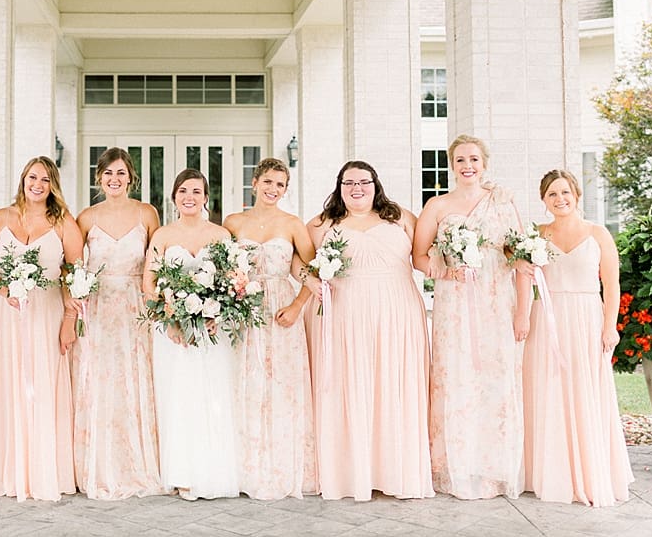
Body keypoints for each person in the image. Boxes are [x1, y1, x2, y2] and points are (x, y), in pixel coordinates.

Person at [305, 160, 434, 501]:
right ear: (339, 187)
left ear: (376, 185)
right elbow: (301, 261)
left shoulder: (403, 218)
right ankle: (351, 474)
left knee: (393, 383)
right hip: (346, 310)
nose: (356, 188)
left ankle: (396, 472)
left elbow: (425, 256)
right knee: (350, 383)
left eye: (364, 182)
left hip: (398, 309)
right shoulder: (322, 225)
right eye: (349, 183)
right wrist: (308, 280)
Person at [412, 134, 532, 500]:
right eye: (461, 159)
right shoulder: (436, 206)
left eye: (474, 159)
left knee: (495, 379)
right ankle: (455, 466)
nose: (468, 166)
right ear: (452, 164)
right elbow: (418, 258)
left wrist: (522, 314)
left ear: (485, 164)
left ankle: (495, 467)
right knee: (456, 377)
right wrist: (447, 272)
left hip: (497, 301)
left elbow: (523, 258)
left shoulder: (502, 202)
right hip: (455, 306)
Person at [0, 156, 83, 501]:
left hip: (48, 313)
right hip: (8, 316)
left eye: (46, 180)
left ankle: (43, 469)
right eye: (33, 177)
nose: (38, 184)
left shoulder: (63, 221)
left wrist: (70, 320)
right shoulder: (0, 218)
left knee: (43, 385)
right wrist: (5, 291)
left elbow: (75, 274)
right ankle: (7, 469)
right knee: (9, 383)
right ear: (23, 179)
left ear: (53, 186)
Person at [522, 169, 633, 506]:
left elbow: (612, 285)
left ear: (577, 196)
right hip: (548, 319)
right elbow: (523, 277)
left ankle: (589, 470)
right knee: (549, 388)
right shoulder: (536, 235)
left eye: (565, 193)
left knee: (586, 390)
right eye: (553, 194)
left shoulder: (598, 234)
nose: (560, 199)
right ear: (544, 200)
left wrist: (609, 326)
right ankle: (551, 471)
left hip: (587, 317)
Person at [71, 148, 164, 499]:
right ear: (99, 178)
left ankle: (137, 462)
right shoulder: (85, 218)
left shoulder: (147, 213)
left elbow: (158, 262)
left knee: (135, 379)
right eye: (108, 173)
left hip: (136, 306)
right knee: (99, 381)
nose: (115, 179)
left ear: (131, 177)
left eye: (121, 173)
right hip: (97, 310)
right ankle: (97, 464)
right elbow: (75, 267)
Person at [222, 157, 316, 500]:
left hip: (280, 307)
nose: (273, 189)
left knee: (281, 384)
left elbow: (311, 271)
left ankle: (281, 464)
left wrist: (296, 306)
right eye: (268, 182)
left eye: (280, 184)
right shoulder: (233, 222)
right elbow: (221, 266)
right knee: (244, 381)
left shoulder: (292, 224)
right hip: (244, 308)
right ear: (255, 183)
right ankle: (243, 466)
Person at [142, 168, 239, 500]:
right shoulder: (163, 236)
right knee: (179, 397)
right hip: (173, 331)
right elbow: (149, 284)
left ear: (206, 197)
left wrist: (217, 314)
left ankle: (213, 470)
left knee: (212, 396)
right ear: (174, 197)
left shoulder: (222, 235)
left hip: (212, 330)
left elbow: (233, 283)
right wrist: (169, 320)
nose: (189, 197)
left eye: (196, 191)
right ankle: (182, 472)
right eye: (183, 191)